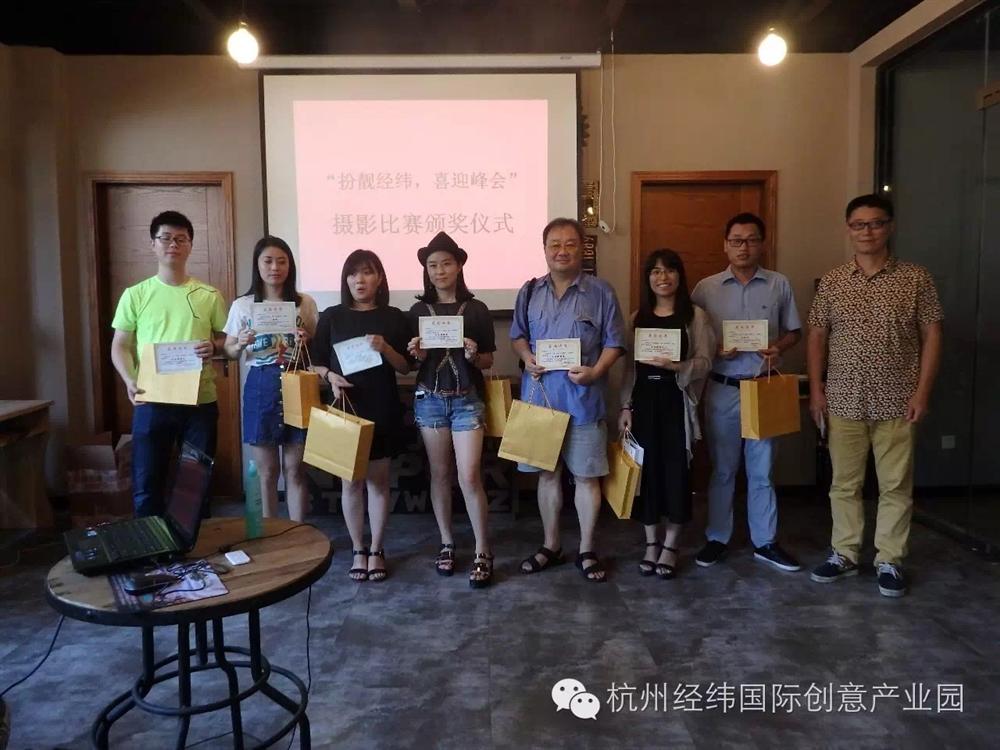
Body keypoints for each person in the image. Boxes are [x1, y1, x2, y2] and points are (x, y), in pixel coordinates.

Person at [808, 194, 943, 598]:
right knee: (843, 484)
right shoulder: (833, 281)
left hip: (898, 399)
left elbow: (933, 335)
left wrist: (923, 392)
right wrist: (816, 390)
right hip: (843, 399)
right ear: (848, 229)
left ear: (890, 227)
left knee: (895, 485)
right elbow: (817, 335)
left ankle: (890, 559)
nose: (867, 231)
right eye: (858, 224)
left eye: (876, 223)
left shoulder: (916, 279)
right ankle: (845, 553)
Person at [511, 218, 626, 582]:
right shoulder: (530, 291)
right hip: (540, 399)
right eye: (555, 245)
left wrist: (596, 372)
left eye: (570, 244)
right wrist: (527, 357)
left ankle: (587, 549)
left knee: (587, 478)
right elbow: (517, 336)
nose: (562, 251)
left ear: (582, 249)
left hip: (584, 400)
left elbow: (615, 342)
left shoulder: (601, 292)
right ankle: (551, 545)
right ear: (544, 250)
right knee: (547, 476)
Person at [690, 212, 803, 573]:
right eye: (736, 240)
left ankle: (765, 542)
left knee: (762, 470)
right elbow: (691, 338)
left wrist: (778, 348)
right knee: (723, 469)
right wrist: (715, 350)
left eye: (752, 240)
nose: (744, 247)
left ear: (762, 244)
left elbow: (794, 331)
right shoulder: (705, 289)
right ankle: (717, 538)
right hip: (722, 388)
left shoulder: (778, 284)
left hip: (763, 387)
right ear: (725, 245)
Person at [111, 210, 227, 517]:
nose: (173, 244)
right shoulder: (135, 295)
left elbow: (226, 341)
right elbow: (120, 345)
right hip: (152, 398)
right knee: (147, 481)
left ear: (190, 246)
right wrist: (129, 379)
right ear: (153, 244)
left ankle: (189, 543)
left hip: (200, 402)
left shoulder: (209, 295)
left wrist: (213, 346)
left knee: (195, 484)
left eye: (181, 239)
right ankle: (150, 544)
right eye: (165, 238)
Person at [309, 250, 411, 582]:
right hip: (346, 408)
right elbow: (315, 361)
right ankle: (357, 549)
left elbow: (406, 366)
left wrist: (386, 348)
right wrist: (329, 376)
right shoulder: (332, 316)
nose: (360, 280)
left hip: (382, 405)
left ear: (379, 278)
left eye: (367, 272)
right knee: (350, 483)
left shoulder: (393, 317)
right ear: (346, 280)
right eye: (353, 273)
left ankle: (377, 549)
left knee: (378, 482)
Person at [406, 232, 497, 588]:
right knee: (440, 474)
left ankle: (483, 549)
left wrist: (475, 355)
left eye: (446, 263)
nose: (439, 271)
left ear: (459, 266)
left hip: (466, 400)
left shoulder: (477, 309)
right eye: (433, 265)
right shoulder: (417, 311)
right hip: (430, 399)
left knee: (469, 475)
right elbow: (413, 364)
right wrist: (418, 354)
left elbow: (488, 360)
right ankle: (447, 543)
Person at [618, 249, 715, 579]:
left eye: (670, 270)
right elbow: (628, 371)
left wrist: (677, 366)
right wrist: (625, 406)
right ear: (648, 278)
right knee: (646, 474)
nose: (663, 277)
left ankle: (671, 546)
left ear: (679, 275)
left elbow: (706, 362)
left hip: (676, 402)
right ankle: (651, 544)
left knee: (676, 474)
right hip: (643, 404)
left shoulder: (695, 317)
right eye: (656, 271)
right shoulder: (637, 318)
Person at [223, 236, 318, 522]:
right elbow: (229, 351)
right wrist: (240, 343)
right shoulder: (243, 305)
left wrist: (307, 339)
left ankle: (297, 531)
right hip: (261, 384)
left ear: (290, 265)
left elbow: (316, 345)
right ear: (257, 265)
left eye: (281, 261)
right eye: (268, 261)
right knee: (267, 471)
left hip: (296, 382)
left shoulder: (305, 303)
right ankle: (271, 534)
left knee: (295, 469)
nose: (275, 267)